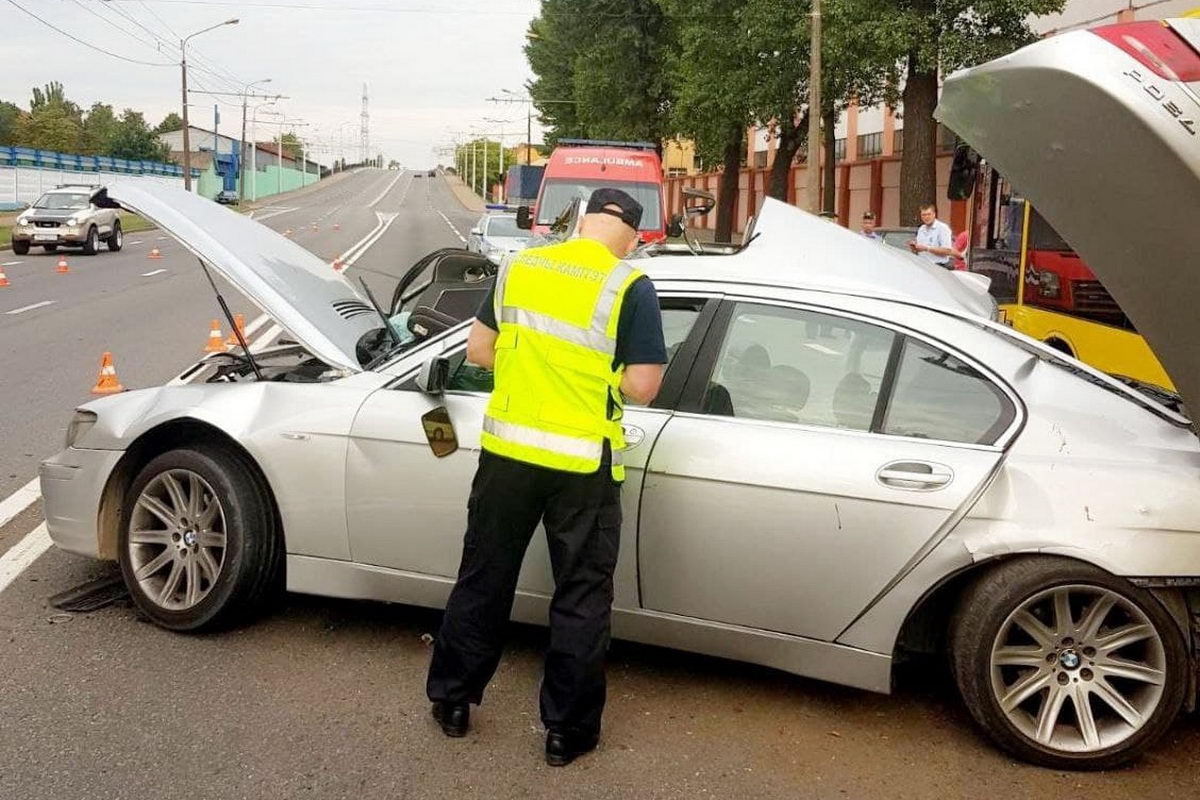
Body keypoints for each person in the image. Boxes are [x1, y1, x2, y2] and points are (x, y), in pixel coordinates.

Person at [426, 188, 667, 767]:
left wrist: (530, 364)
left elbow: (480, 351)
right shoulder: (630, 287)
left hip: (507, 455)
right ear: (632, 238)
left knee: (484, 577)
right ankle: (567, 733)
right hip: (581, 466)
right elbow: (642, 386)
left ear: (580, 223)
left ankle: (453, 703)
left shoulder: (520, 266)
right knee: (581, 597)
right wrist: (598, 379)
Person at [907, 203, 955, 268]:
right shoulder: (921, 229)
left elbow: (947, 251)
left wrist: (927, 248)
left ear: (934, 214)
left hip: (938, 266)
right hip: (923, 265)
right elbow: (920, 250)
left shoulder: (942, 228)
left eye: (929, 214)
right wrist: (914, 248)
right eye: (923, 215)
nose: (926, 217)